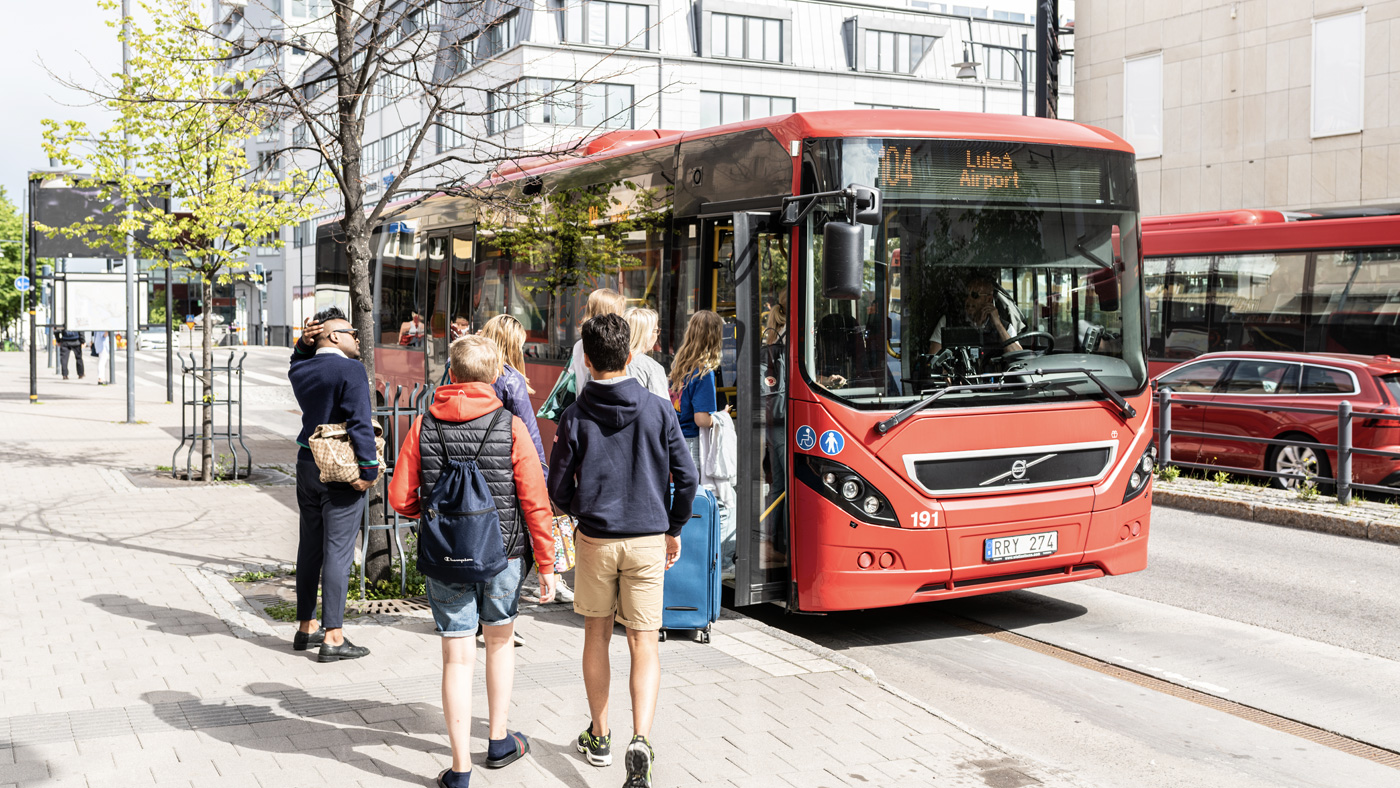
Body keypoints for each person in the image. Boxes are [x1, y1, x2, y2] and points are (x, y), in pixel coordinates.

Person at [388, 334, 557, 788]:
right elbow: (535, 501)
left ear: (452, 375)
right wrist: (547, 563)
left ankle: (459, 769)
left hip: (446, 556)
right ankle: (499, 741)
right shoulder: (511, 426)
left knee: (456, 657)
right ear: (496, 375)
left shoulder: (424, 425)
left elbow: (400, 497)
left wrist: (432, 515)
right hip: (502, 556)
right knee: (500, 644)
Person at [548, 313, 698, 788]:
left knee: (596, 634)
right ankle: (641, 739)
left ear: (586, 362)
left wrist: (581, 507)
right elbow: (688, 477)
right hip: (649, 538)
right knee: (644, 642)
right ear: (631, 357)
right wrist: (673, 526)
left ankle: (600, 736)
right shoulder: (658, 409)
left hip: (597, 538)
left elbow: (557, 486)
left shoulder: (574, 416)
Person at [287, 308, 379, 663]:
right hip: (341, 469)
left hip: (307, 462)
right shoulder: (351, 370)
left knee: (309, 548)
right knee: (338, 553)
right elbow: (359, 423)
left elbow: (296, 358)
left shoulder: (301, 369)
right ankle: (334, 636)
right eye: (352, 333)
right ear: (334, 336)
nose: (357, 339)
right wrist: (369, 471)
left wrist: (302, 344)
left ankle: (306, 626)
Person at [668, 310, 723, 469]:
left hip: (674, 438)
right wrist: (721, 419)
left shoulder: (679, 365)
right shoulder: (704, 372)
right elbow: (701, 419)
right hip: (690, 442)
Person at [929, 271, 1024, 355]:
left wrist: (998, 324)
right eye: (966, 295)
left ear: (988, 299)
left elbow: (1018, 358)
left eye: (974, 295)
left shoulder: (1005, 326)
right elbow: (933, 358)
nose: (968, 300)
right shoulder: (948, 322)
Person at [568, 288, 628, 390]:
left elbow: (572, 385)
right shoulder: (610, 345)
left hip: (585, 402)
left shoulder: (579, 345)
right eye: (620, 313)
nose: (622, 317)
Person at [623, 307, 669, 401]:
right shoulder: (652, 368)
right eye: (656, 330)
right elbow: (662, 409)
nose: (657, 335)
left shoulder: (605, 362)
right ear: (646, 334)